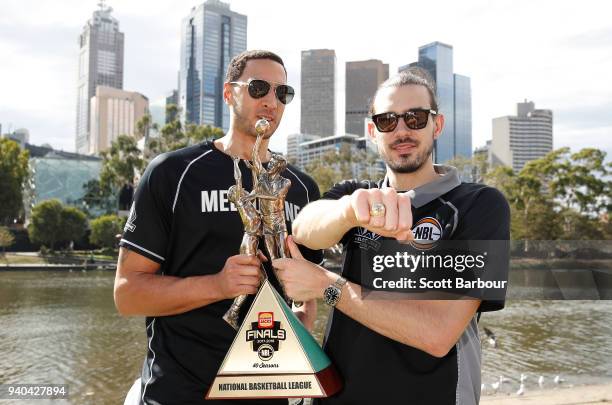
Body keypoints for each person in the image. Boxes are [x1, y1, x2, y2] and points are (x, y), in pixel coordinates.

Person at [272, 68, 510, 405]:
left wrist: (327, 285)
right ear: (372, 131)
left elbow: (437, 334)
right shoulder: (355, 194)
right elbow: (305, 230)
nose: (401, 130)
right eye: (387, 121)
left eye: (415, 118)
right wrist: (349, 211)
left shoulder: (478, 205)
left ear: (436, 125)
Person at [114, 49, 322, 405]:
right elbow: (127, 293)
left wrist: (301, 321)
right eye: (258, 88)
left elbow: (308, 287)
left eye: (282, 93)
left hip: (269, 391)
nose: (271, 101)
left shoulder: (302, 189)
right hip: (180, 393)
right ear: (229, 93)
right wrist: (218, 285)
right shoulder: (173, 173)